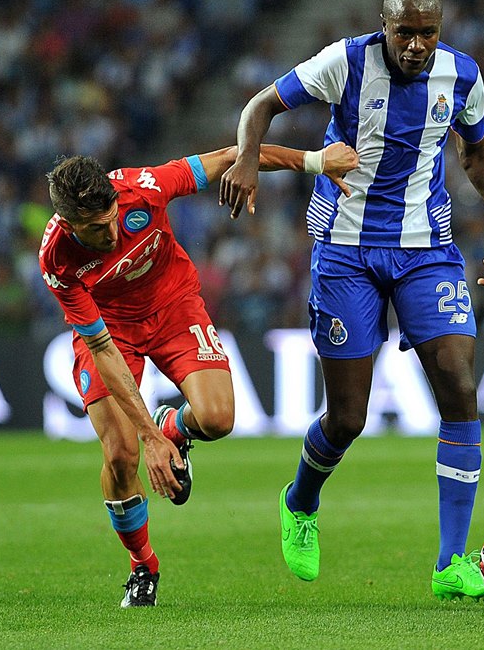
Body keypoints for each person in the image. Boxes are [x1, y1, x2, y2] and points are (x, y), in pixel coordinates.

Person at [219, 0, 484, 599]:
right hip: (346, 248)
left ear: (440, 31)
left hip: (427, 248)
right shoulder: (346, 61)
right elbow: (260, 106)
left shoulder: (462, 75)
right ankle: (300, 501)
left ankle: (450, 563)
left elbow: (476, 153)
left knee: (460, 388)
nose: (415, 45)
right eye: (404, 32)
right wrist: (248, 158)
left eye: (427, 33)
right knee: (348, 418)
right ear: (384, 25)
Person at [39, 141, 359, 606]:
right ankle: (143, 566)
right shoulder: (56, 258)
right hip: (111, 332)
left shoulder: (143, 188)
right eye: (95, 229)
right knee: (122, 455)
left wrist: (315, 162)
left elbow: (233, 156)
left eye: (111, 219)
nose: (110, 233)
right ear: (69, 224)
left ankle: (175, 426)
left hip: (173, 306)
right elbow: (101, 346)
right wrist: (148, 438)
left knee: (218, 419)